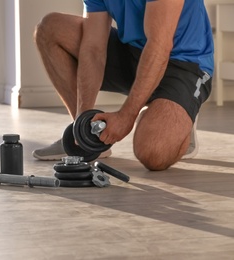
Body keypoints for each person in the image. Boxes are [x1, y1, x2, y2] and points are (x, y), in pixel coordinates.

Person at [32, 0, 214, 171]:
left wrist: (127, 116)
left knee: (153, 152)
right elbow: (93, 48)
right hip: (135, 54)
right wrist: (83, 127)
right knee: (51, 28)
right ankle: (92, 141)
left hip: (185, 65)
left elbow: (159, 45)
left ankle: (180, 114)